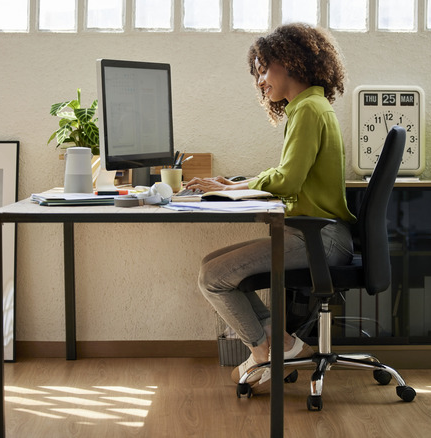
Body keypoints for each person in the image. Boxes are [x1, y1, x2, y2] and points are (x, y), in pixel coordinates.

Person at [185, 23, 356, 393]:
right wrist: (236, 186)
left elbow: (288, 180)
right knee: (212, 268)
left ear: (290, 61)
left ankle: (265, 353)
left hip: (320, 238)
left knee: (213, 278)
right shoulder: (309, 106)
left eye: (263, 68)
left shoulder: (309, 109)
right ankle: (285, 345)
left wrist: (238, 187)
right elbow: (286, 174)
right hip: (317, 233)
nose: (260, 80)